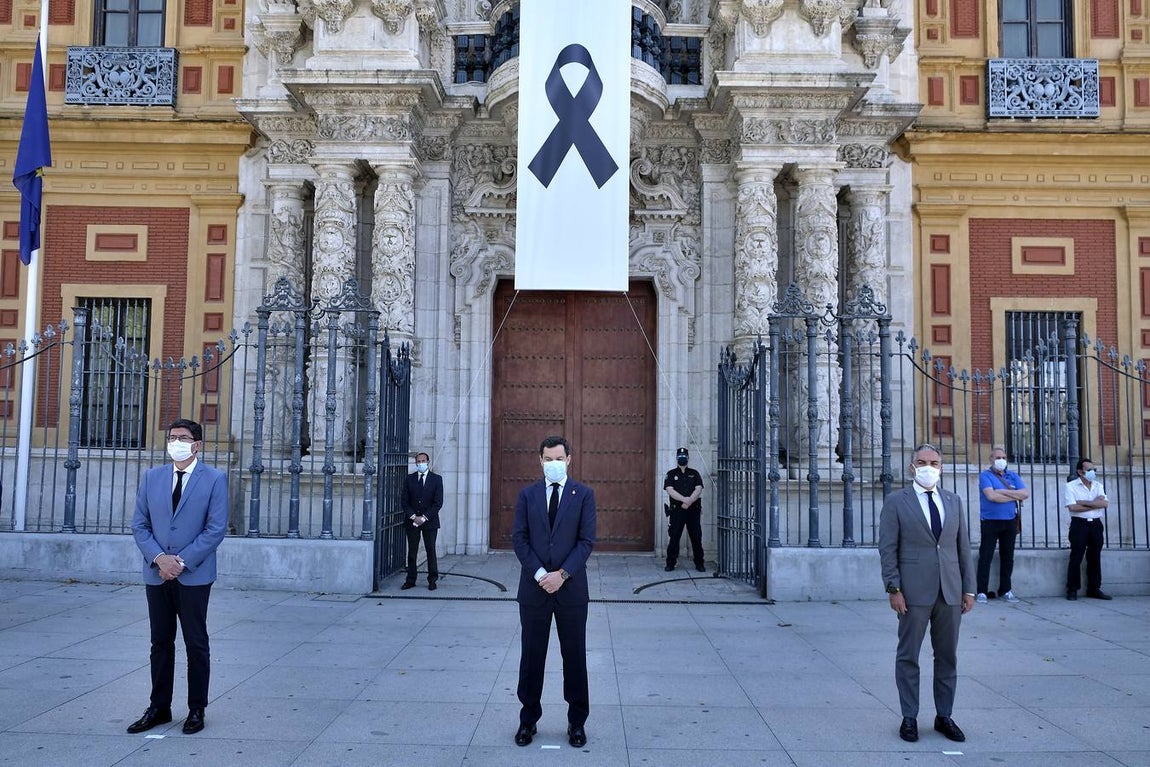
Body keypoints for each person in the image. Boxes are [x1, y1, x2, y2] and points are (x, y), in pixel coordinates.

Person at [127, 418, 228, 735]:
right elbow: (139, 525)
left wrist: (180, 562)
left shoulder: (214, 479)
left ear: (197, 444)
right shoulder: (152, 477)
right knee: (160, 642)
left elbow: (215, 529)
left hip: (193, 575)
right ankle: (159, 707)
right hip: (157, 573)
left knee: (196, 642)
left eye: (183, 438)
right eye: (172, 437)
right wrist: (159, 558)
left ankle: (196, 709)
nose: (176, 442)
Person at [878, 443, 974, 744]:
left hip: (950, 591)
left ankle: (944, 715)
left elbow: (963, 548)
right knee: (909, 656)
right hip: (913, 592)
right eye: (922, 462)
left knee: (947, 656)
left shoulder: (953, 501)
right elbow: (887, 548)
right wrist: (893, 588)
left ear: (942, 467)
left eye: (933, 462)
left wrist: (969, 588)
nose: (928, 467)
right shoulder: (896, 502)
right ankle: (909, 717)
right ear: (912, 467)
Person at [512, 436, 597, 748]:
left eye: (559, 458)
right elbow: (519, 538)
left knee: (574, 658)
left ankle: (577, 723)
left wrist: (561, 575)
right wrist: (540, 575)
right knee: (531, 659)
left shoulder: (584, 495)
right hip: (534, 592)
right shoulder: (527, 495)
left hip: (571, 591)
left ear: (569, 459)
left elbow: (586, 541)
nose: (554, 463)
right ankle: (528, 720)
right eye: (548, 459)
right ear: (540, 460)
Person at [975, 445, 1028, 604]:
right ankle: (981, 591)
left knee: (1008, 557)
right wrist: (1013, 495)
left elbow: (1025, 494)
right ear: (991, 460)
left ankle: (1005, 590)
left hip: (1010, 521)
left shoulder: (1013, 475)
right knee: (986, 556)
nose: (1001, 460)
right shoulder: (985, 476)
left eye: (1004, 458)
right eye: (998, 458)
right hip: (990, 521)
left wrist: (1002, 492)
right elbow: (991, 496)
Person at [1064, 457, 1112, 601]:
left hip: (1096, 524)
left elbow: (1104, 504)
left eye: (1094, 470)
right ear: (1080, 471)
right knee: (1076, 556)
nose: (1092, 472)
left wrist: (1084, 502)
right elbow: (1073, 507)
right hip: (1079, 524)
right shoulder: (1071, 486)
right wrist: (1094, 503)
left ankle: (1094, 588)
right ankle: (1072, 589)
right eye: (1089, 470)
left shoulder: (1098, 485)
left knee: (1094, 556)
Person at [400, 451, 443, 591]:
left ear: (428, 462)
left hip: (430, 522)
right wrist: (414, 517)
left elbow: (438, 503)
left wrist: (424, 518)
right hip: (412, 522)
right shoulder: (409, 479)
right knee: (412, 552)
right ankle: (411, 579)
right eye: (418, 461)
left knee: (431, 550)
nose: (421, 463)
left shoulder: (436, 479)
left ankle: (432, 579)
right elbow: (404, 501)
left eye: (423, 461)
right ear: (415, 463)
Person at [664, 446, 705, 572]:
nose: (682, 458)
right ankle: (671, 562)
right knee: (675, 536)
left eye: (684, 456)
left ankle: (699, 563)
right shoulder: (671, 474)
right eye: (680, 456)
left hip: (692, 510)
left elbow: (698, 489)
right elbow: (670, 490)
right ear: (677, 458)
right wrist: (684, 500)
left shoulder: (694, 473)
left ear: (688, 458)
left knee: (696, 537)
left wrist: (689, 501)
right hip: (677, 510)